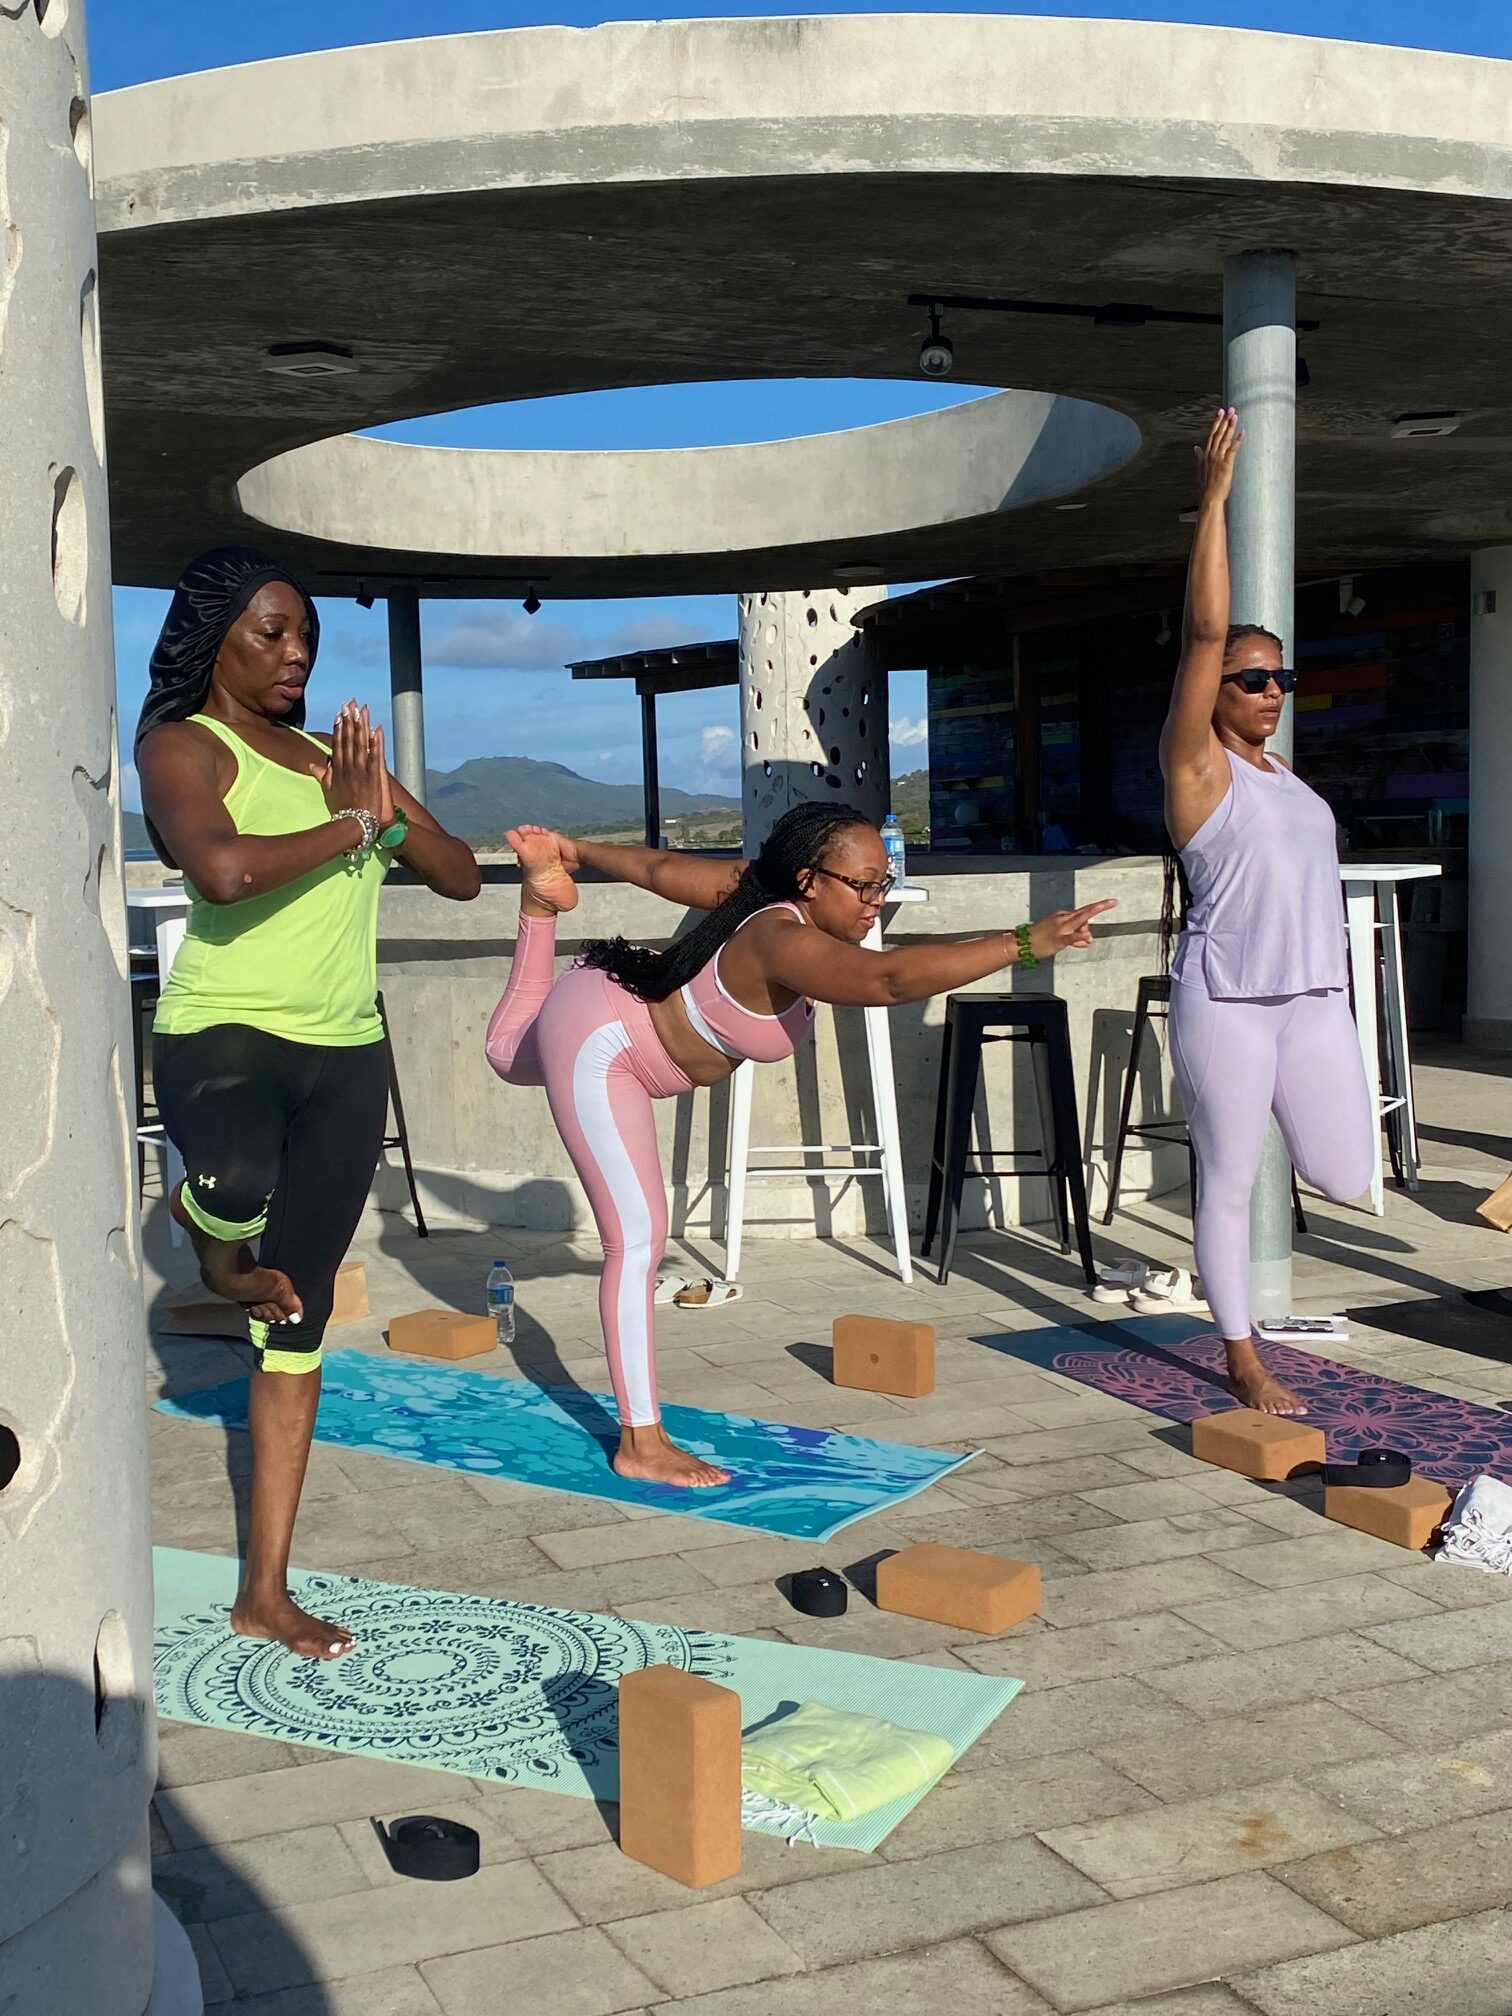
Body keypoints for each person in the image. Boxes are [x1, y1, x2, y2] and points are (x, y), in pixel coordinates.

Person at [486, 807, 1114, 1486]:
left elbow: (661, 870)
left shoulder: (759, 890)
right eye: (866, 885)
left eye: (886, 882)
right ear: (811, 880)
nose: (879, 900)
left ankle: (538, 900)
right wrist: (1021, 942)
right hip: (605, 1037)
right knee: (637, 1239)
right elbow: (888, 981)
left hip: (618, 1007)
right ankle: (641, 1443)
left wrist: (575, 845)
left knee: (507, 1053)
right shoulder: (778, 936)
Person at [137, 547, 480, 1658]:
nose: (294, 655)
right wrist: (347, 823)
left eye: (305, 638)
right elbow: (223, 871)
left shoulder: (342, 761)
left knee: (298, 1324)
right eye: (271, 632)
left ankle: (265, 1591)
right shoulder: (185, 745)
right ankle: (214, 1245)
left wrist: (377, 805)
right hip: (226, 1033)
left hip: (346, 1055)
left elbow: (462, 873)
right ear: (217, 635)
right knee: (231, 1188)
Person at [1160, 411, 1374, 1416]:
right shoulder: (1197, 769)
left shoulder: (1283, 773)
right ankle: (1242, 1353)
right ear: (1216, 692)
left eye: (1283, 677)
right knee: (1233, 1180)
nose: (1273, 690)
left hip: (1315, 997)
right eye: (1253, 679)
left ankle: (1249, 1315)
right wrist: (1214, 498)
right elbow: (1206, 631)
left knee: (1345, 1172)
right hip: (1230, 996)